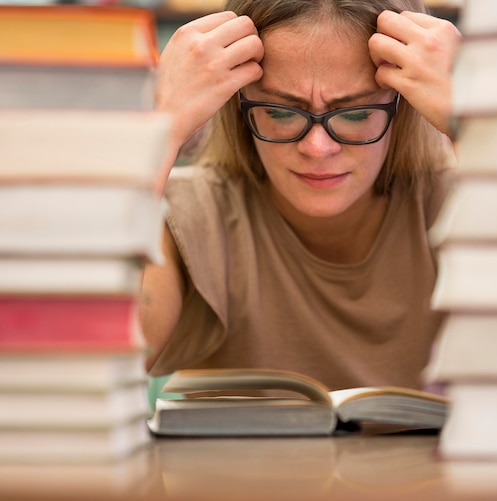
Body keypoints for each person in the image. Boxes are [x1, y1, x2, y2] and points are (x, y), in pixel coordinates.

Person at [141, 0, 461, 391]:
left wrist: (472, 123)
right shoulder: (187, 216)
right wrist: (162, 126)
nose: (317, 147)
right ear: (239, 106)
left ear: (405, 106)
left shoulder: (459, 206)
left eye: (356, 113)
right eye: (280, 111)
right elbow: (87, 357)